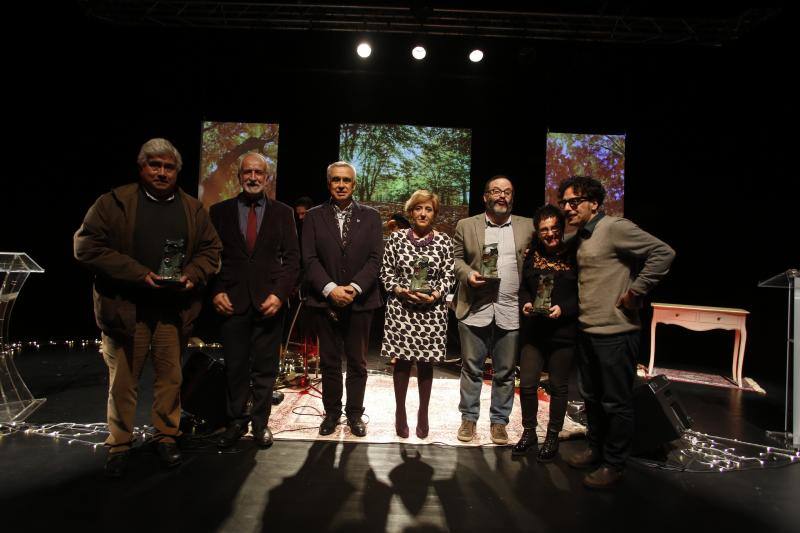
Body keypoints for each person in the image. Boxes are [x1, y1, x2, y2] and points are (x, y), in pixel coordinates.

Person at [74, 138, 221, 477]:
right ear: (141, 167)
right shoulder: (114, 203)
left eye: (169, 167)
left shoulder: (192, 208)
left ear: (177, 171)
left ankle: (166, 436)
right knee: (124, 382)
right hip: (127, 310)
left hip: (173, 311)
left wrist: (192, 275)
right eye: (155, 165)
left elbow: (211, 251)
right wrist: (139, 275)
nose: (162, 172)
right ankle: (120, 444)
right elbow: (85, 246)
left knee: (170, 378)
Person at [558, 175, 675, 489]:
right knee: (592, 398)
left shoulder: (615, 228)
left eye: (575, 201)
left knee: (616, 402)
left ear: (593, 203)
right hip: (587, 329)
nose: (567, 207)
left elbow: (663, 253)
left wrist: (636, 291)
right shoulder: (580, 236)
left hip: (616, 332)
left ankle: (614, 463)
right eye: (564, 202)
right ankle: (596, 448)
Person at [210, 152, 300, 449]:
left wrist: (280, 293)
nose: (252, 177)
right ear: (239, 177)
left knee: (265, 368)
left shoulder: (283, 212)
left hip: (269, 303)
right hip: (232, 302)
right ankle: (236, 422)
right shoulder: (219, 212)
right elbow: (210, 258)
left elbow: (292, 260)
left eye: (258, 173)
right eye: (247, 172)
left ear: (267, 178)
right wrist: (215, 290)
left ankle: (260, 424)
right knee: (235, 367)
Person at [302, 161, 383, 437]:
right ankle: (332, 413)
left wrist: (354, 288)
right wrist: (330, 289)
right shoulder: (313, 216)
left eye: (346, 180)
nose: (341, 185)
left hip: (360, 301)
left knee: (358, 362)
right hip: (324, 301)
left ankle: (355, 415)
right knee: (329, 361)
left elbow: (375, 259)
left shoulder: (371, 217)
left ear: (354, 184)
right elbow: (309, 259)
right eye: (336, 180)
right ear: (328, 184)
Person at [453, 175, 533, 444]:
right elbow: (455, 259)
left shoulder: (528, 226)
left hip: (510, 308)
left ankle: (499, 422)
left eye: (507, 192)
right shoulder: (467, 225)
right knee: (472, 368)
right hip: (475, 307)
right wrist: (467, 275)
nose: (502, 196)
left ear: (512, 197)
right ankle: (469, 418)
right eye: (496, 191)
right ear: (485, 197)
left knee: (505, 371)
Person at [380, 190, 454, 439]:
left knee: (425, 363)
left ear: (434, 214)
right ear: (411, 212)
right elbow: (386, 272)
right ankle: (400, 412)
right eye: (418, 209)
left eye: (428, 209)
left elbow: (448, 276)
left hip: (431, 312)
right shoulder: (396, 239)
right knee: (401, 361)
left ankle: (423, 412)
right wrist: (400, 290)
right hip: (401, 309)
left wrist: (434, 295)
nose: (423, 213)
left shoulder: (444, 241)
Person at [514, 204, 578, 461]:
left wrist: (563, 309)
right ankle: (529, 432)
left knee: (558, 387)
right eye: (544, 230)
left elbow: (584, 294)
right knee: (527, 385)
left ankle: (552, 436)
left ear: (561, 229)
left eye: (554, 228)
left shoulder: (575, 255)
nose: (550, 234)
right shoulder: (531, 256)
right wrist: (525, 303)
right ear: (538, 232)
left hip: (563, 332)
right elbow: (523, 289)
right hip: (534, 330)